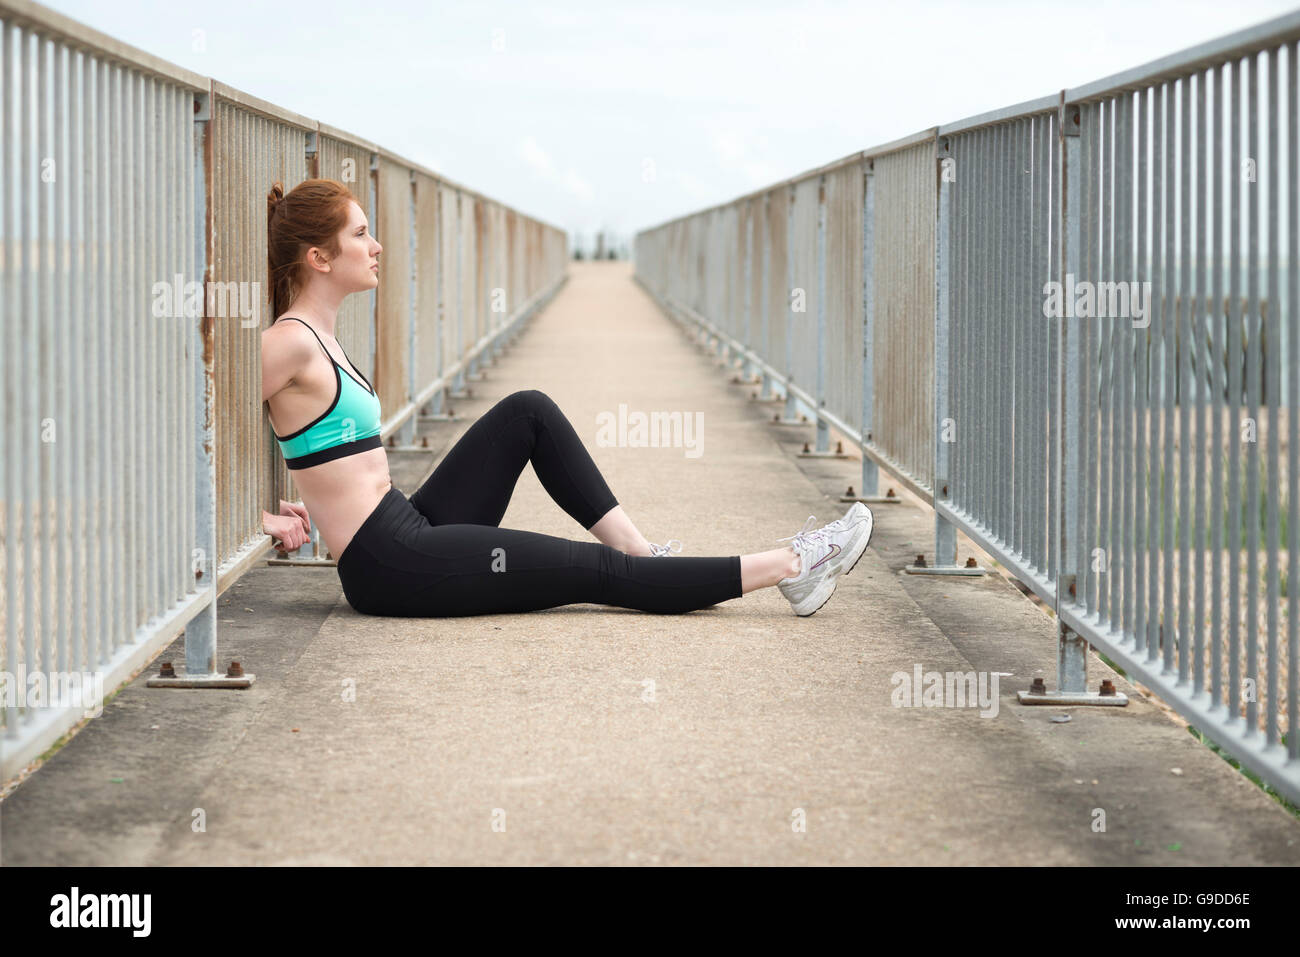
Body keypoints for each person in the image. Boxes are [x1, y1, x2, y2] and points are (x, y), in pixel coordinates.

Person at [260, 178, 874, 618]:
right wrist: (249, 518)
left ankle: (642, 553)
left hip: (405, 523)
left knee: (528, 411)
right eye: (361, 235)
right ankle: (793, 567)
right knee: (595, 573)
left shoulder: (321, 335)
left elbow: (322, 448)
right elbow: (190, 434)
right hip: (390, 564)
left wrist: (283, 500)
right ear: (318, 257)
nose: (377, 247)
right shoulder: (287, 343)